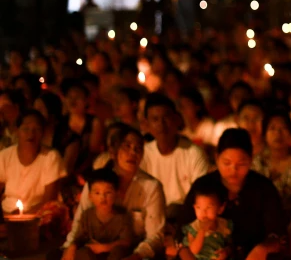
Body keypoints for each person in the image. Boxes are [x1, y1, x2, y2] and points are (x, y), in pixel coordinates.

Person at [177, 129, 286, 260]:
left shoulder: (263, 188)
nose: (233, 170)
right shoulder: (203, 186)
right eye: (226, 163)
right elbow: (181, 232)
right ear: (217, 158)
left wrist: (262, 249)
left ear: (251, 159)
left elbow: (278, 233)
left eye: (241, 164)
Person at [63, 125, 166, 260]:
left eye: (138, 148)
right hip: (94, 249)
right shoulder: (95, 183)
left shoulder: (151, 187)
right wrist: (70, 247)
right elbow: (79, 223)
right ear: (113, 152)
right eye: (127, 146)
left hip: (131, 251)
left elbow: (155, 236)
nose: (132, 153)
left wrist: (136, 256)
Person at [139, 93, 209, 216]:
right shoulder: (143, 154)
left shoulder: (193, 153)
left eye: (166, 117)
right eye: (155, 119)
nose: (161, 124)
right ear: (147, 125)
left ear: (177, 119)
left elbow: (202, 196)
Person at [251, 110, 291, 236]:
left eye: (283, 128)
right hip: (265, 224)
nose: (278, 133)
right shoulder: (257, 162)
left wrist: (287, 234)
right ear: (264, 134)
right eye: (272, 128)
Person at [0, 109, 67, 214]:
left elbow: (49, 200)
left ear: (43, 133)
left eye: (37, 129)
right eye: (26, 129)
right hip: (7, 213)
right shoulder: (5, 155)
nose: (31, 134)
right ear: (17, 131)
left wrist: (24, 217)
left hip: (39, 215)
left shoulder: (51, 157)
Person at [63, 168, 134, 260]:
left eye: (108, 193)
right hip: (92, 254)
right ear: (90, 196)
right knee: (81, 253)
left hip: (111, 254)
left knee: (119, 252)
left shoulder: (122, 217)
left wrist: (105, 247)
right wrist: (72, 247)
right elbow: (79, 237)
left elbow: (126, 242)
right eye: (97, 193)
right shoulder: (87, 215)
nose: (102, 198)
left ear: (117, 194)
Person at [181, 183, 232, 260]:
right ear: (194, 208)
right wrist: (202, 231)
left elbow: (230, 244)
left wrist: (226, 251)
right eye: (199, 207)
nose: (203, 212)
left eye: (209, 207)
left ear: (220, 208)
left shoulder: (224, 225)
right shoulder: (193, 227)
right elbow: (193, 251)